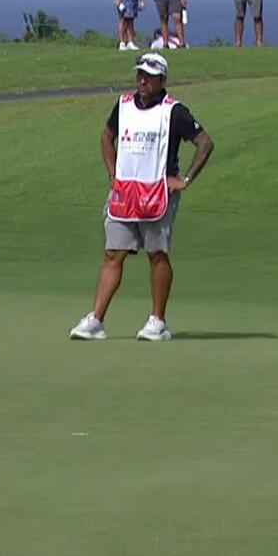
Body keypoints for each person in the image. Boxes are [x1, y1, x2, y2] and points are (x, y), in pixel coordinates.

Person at [69, 52, 214, 342]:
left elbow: (205, 142)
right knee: (113, 253)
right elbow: (106, 137)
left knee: (157, 254)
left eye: (149, 75)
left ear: (163, 79)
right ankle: (96, 320)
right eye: (140, 75)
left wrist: (185, 179)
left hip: (157, 193)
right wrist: (113, 174)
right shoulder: (122, 106)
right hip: (125, 194)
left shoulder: (174, 111)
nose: (142, 80)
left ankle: (157, 322)